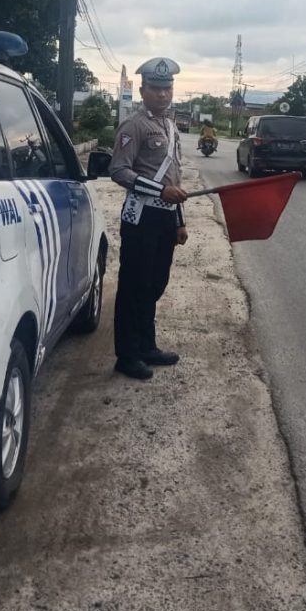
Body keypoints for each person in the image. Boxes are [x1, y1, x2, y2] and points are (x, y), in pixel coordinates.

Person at [109, 57, 189, 380]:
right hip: (140, 217)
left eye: (167, 88)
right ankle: (127, 355)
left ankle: (146, 345)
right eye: (156, 89)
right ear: (143, 90)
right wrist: (158, 191)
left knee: (155, 283)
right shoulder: (134, 126)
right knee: (133, 285)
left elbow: (175, 179)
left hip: (165, 219)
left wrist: (179, 220)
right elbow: (118, 170)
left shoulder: (171, 127)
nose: (162, 94)